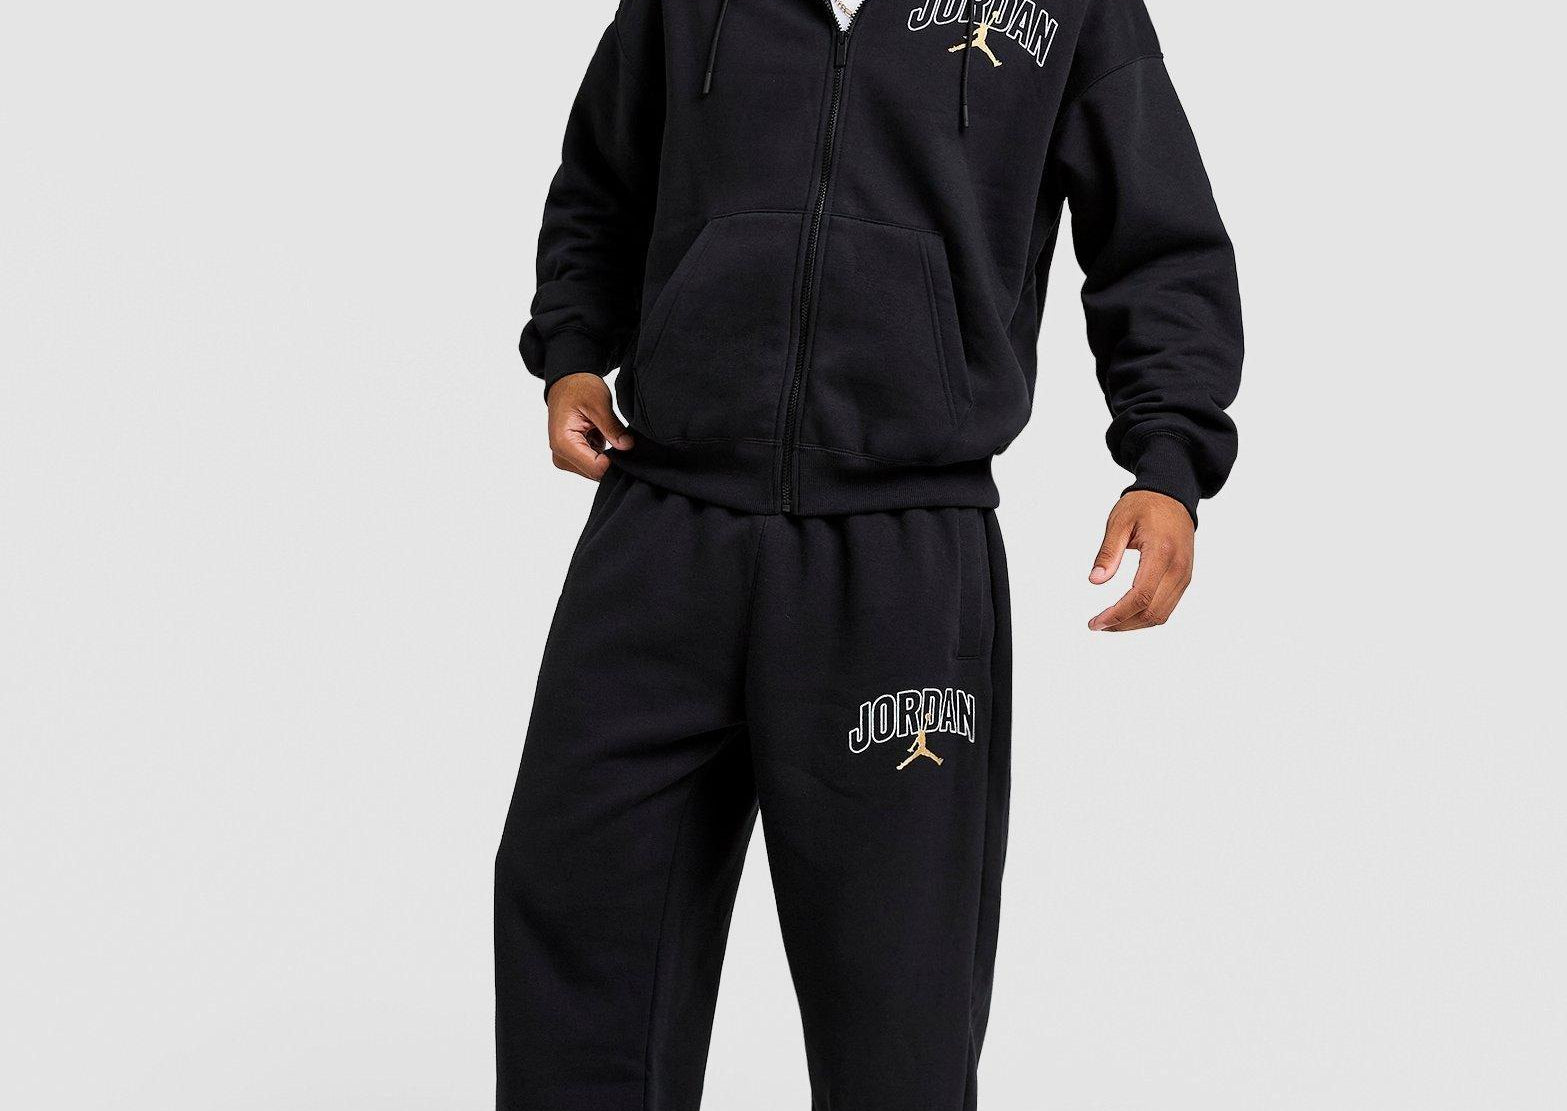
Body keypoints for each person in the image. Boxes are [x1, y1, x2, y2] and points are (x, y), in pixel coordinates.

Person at [496, 0, 1242, 1106]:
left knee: (897, 1008)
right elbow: (602, 178)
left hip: (901, 559)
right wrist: (572, 352)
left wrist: (1167, 460)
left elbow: (1157, 239)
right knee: (577, 940)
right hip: (662, 529)